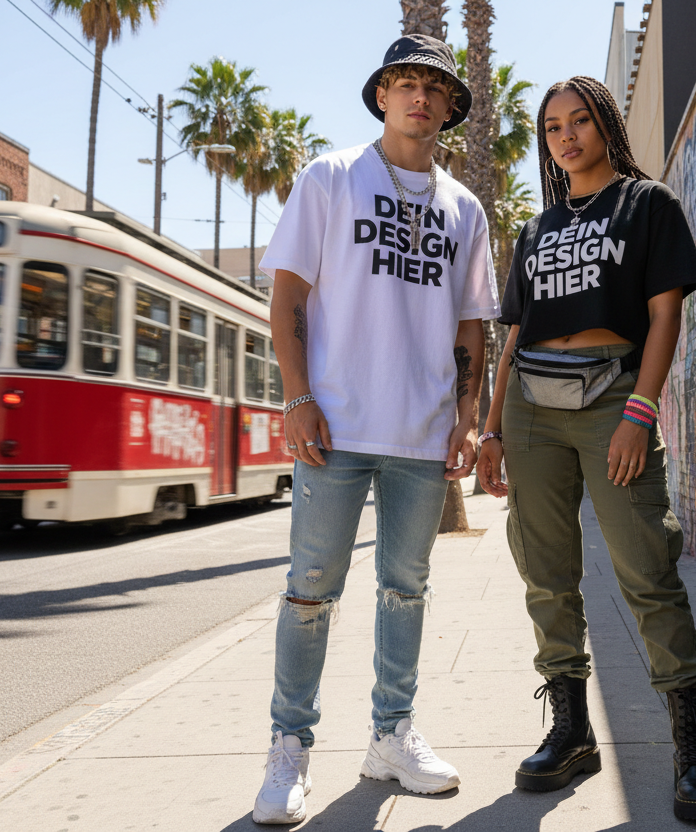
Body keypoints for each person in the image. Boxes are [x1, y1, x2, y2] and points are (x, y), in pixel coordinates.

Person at [251, 34, 500, 825]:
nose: (418, 97)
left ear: (450, 108)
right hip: (335, 426)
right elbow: (288, 298)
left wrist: (466, 417)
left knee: (407, 590)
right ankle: (288, 750)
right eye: (403, 83)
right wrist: (297, 400)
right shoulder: (331, 177)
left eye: (433, 86)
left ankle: (391, 737)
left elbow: (472, 328)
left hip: (422, 437)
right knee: (310, 591)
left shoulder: (464, 209)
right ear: (383, 96)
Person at [475, 76, 696, 822]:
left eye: (579, 120)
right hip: (531, 410)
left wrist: (640, 412)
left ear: (605, 125)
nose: (566, 136)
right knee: (546, 574)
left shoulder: (648, 205)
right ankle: (571, 729)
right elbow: (513, 334)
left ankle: (692, 749)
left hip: (613, 395)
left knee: (646, 567)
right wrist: (490, 429)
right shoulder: (536, 228)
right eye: (552, 127)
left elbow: (663, 316)